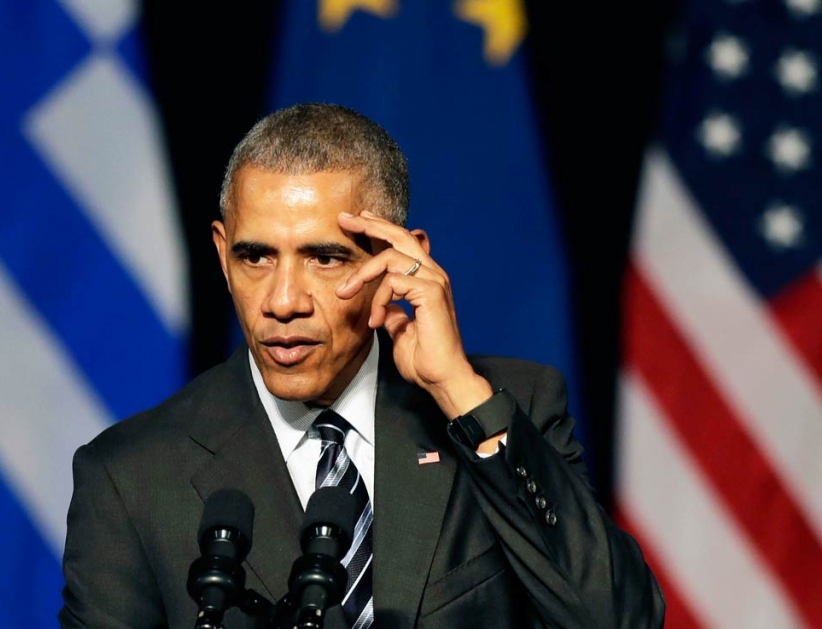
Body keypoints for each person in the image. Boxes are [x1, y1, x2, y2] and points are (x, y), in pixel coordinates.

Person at [58, 102, 665, 629]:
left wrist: (457, 393)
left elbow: (616, 619)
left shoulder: (511, 406)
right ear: (221, 254)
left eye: (325, 258)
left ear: (399, 261)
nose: (283, 301)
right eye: (256, 257)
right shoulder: (131, 478)